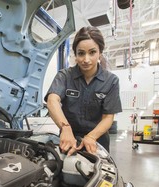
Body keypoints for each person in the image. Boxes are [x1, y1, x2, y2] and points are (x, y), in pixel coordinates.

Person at [45, 26, 122, 156]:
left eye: (92, 52)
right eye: (81, 53)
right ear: (75, 54)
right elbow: (52, 100)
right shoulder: (64, 76)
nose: (86, 59)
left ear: (100, 53)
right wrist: (65, 128)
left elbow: (108, 117)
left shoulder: (111, 81)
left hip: (97, 140)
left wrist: (91, 137)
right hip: (68, 138)